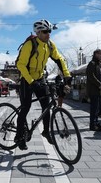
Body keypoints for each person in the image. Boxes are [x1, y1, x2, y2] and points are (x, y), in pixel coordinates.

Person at [15, 19, 71, 150]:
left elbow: (59, 59)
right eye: (46, 32)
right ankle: (19, 137)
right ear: (38, 32)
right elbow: (20, 65)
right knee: (25, 108)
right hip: (26, 79)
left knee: (47, 106)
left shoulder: (50, 45)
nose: (48, 34)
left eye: (49, 31)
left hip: (40, 78)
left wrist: (67, 75)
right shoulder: (30, 45)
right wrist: (31, 82)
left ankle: (46, 131)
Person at [86, 49, 101, 131]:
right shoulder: (92, 64)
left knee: (97, 109)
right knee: (94, 109)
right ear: (96, 54)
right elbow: (91, 76)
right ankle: (92, 125)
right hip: (93, 90)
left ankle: (96, 123)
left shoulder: (97, 64)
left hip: (97, 90)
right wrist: (99, 84)